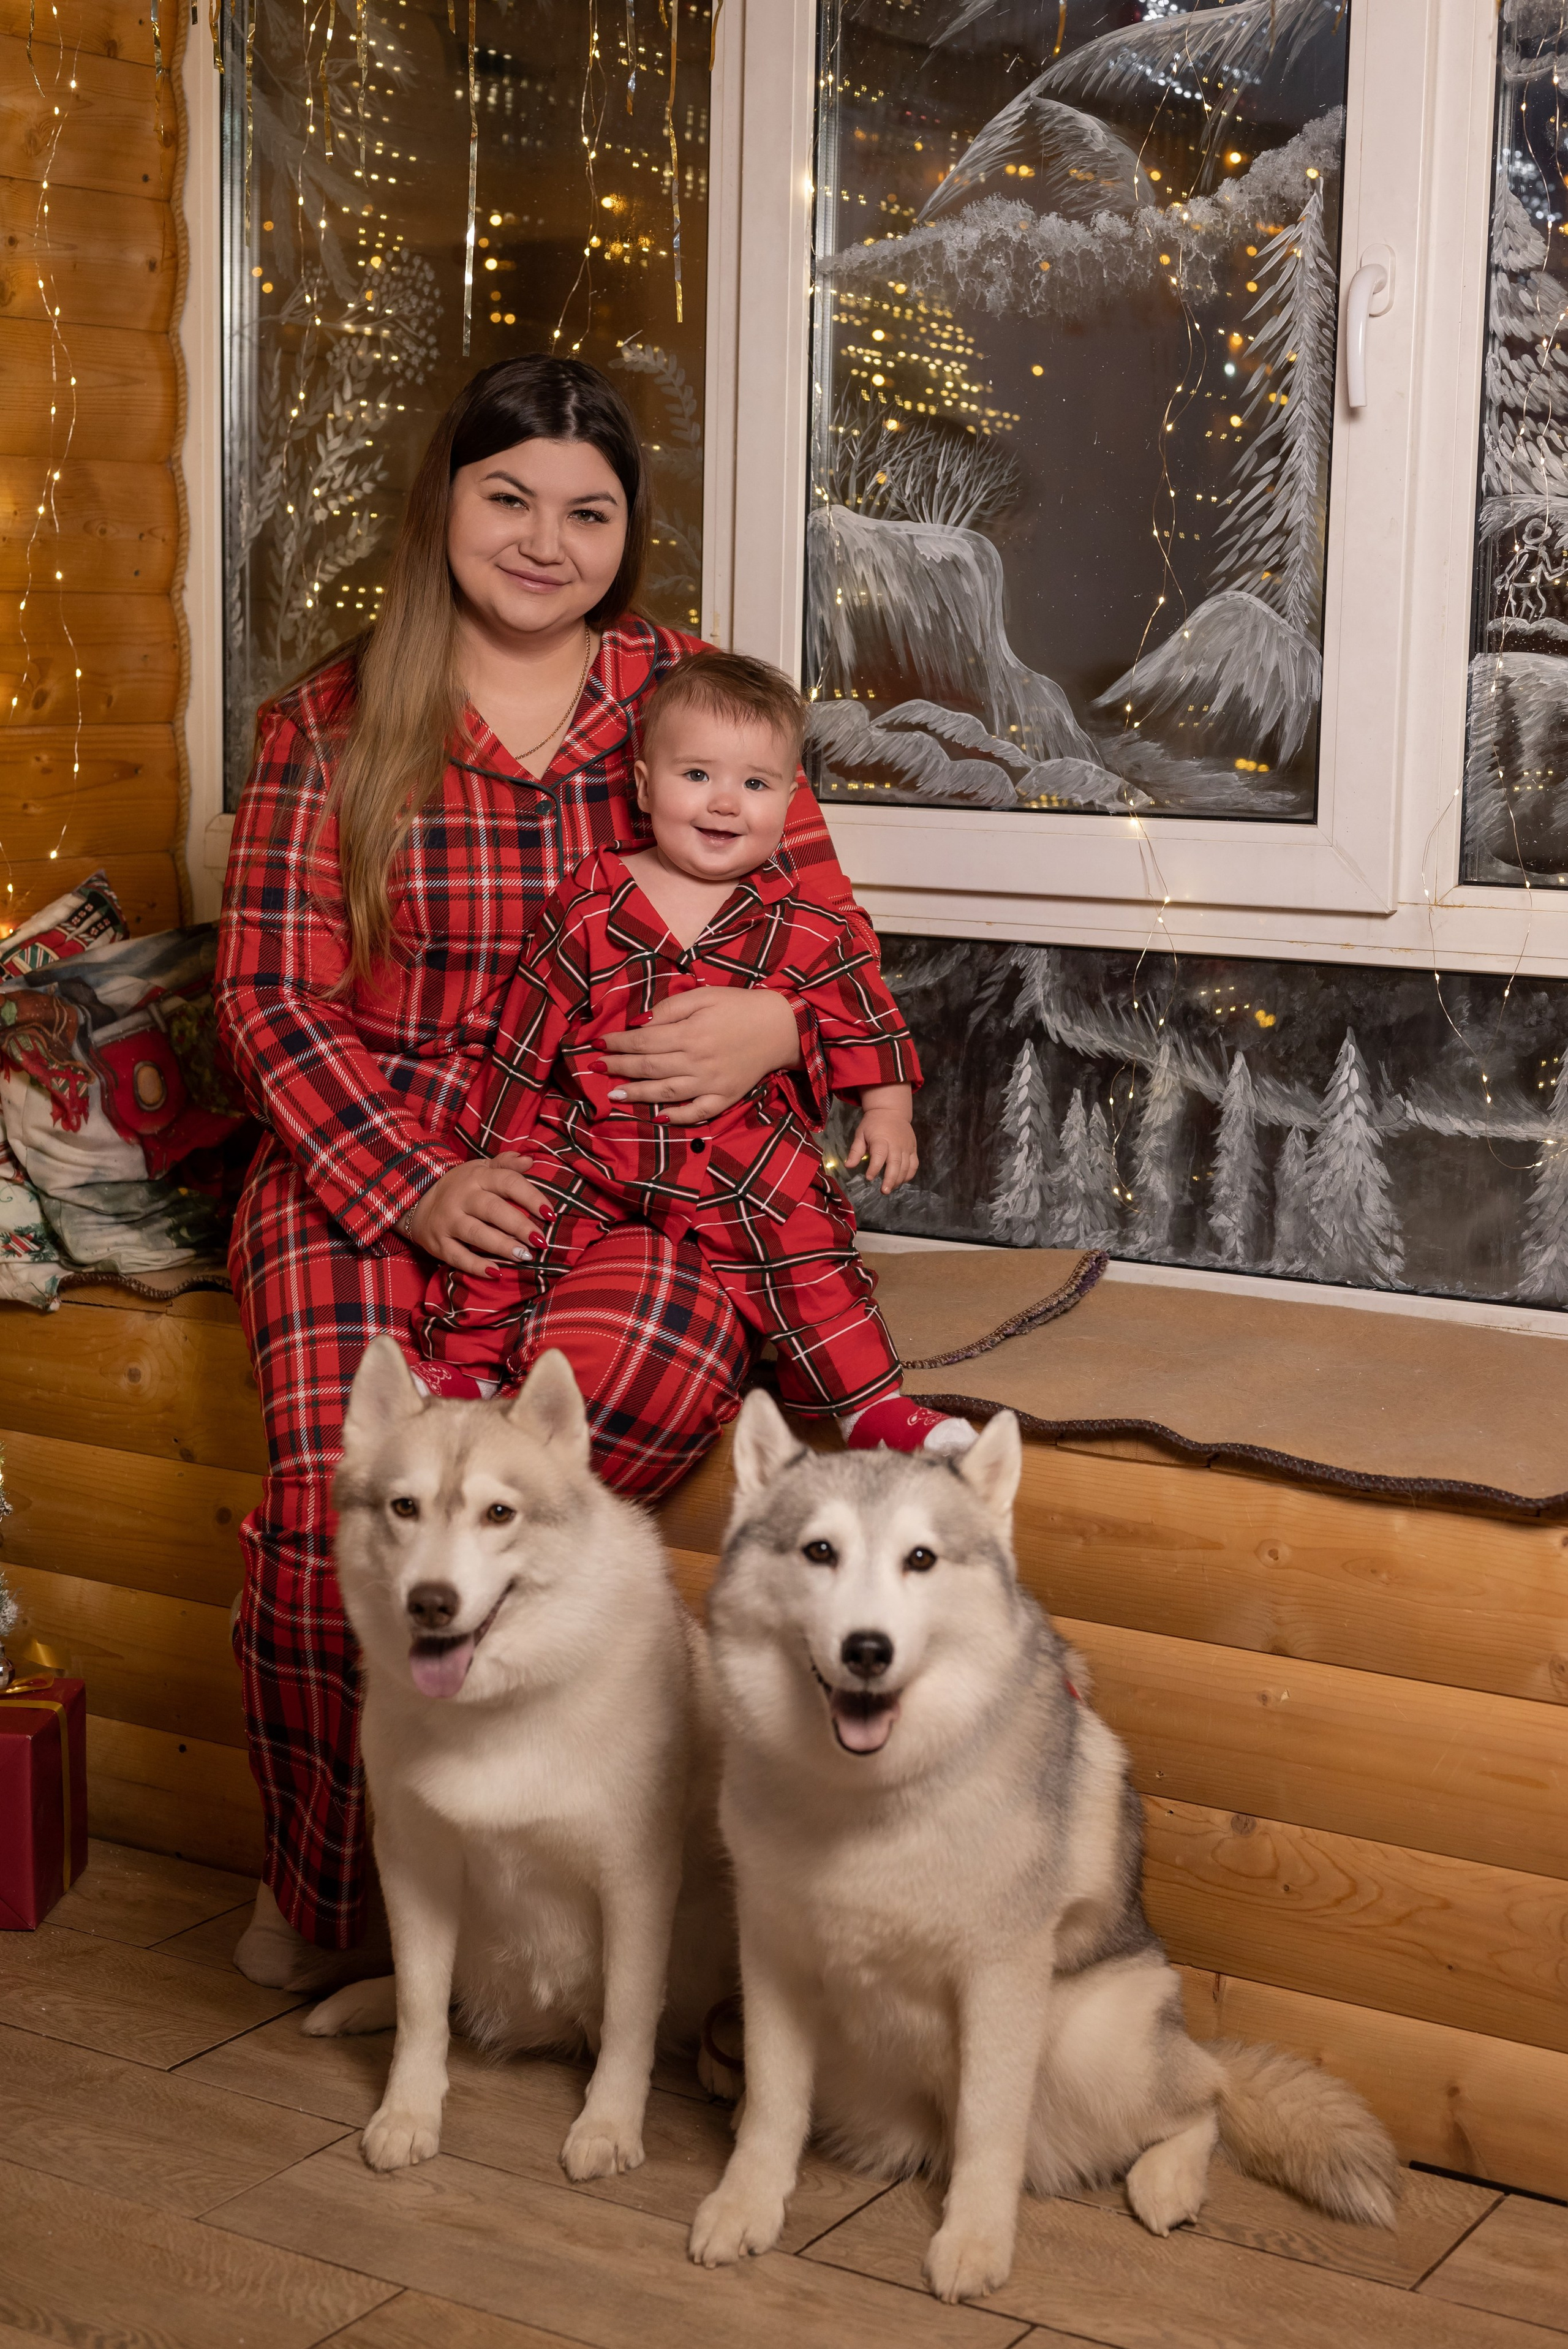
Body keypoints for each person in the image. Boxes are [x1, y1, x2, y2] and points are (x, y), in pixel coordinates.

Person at [215, 356, 894, 1992]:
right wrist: (414, 1184)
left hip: (632, 1162)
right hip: (364, 1158)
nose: (545, 538)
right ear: (442, 502)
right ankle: (343, 1907)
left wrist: (776, 1022)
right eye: (508, 496)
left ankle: (567, 1900)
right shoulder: (329, 715)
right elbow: (264, 997)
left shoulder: (682, 691)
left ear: (628, 534)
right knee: (344, 1523)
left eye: (588, 511)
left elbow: (828, 935)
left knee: (551, 1488)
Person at [412, 649, 974, 1455]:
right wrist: (486, 1149)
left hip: (739, 1150)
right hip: (593, 1139)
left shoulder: (807, 924)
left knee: (808, 1251)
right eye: (697, 776)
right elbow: (527, 1027)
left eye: (755, 784)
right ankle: (470, 1366)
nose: (724, 804)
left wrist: (888, 1112)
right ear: (644, 786)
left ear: (788, 798)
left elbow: (862, 1019)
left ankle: (870, 1405)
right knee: (514, 1221)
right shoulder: (592, 900)